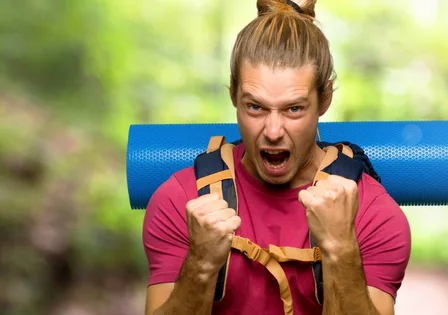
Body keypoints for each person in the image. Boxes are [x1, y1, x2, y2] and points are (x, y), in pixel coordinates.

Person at [142, 0, 411, 314]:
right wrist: (199, 266)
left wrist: (341, 249)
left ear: (325, 100)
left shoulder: (372, 213)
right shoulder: (182, 201)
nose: (272, 131)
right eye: (255, 107)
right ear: (233, 96)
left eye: (293, 109)